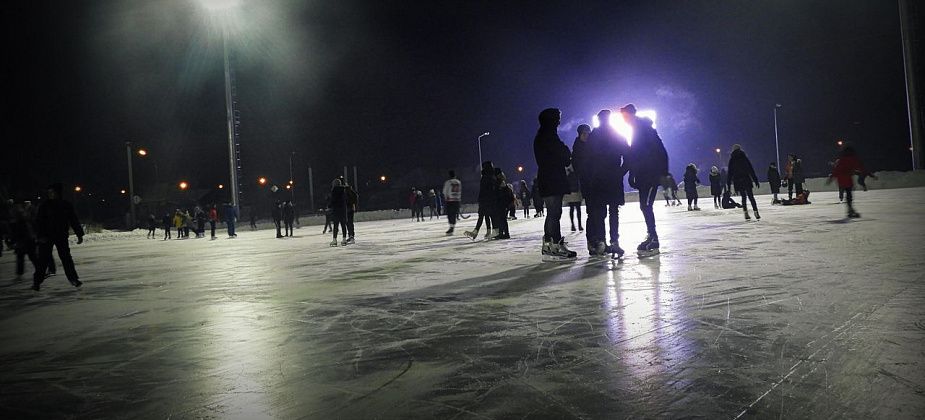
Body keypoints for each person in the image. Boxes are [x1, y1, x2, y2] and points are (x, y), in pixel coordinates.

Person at [574, 110, 626, 256]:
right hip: (612, 180)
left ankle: (602, 241)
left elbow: (586, 161)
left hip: (598, 181)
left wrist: (591, 177)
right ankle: (614, 241)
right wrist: (621, 172)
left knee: (600, 212)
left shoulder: (594, 137)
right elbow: (628, 154)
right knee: (612, 211)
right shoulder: (616, 134)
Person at [622, 104, 668, 256]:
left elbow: (659, 151)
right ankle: (651, 235)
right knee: (644, 206)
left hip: (649, 174)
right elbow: (635, 154)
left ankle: (654, 237)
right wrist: (632, 173)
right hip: (644, 174)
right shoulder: (637, 129)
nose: (623, 120)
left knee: (646, 205)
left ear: (629, 115)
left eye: (624, 116)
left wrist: (662, 173)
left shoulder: (644, 129)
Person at [533, 107, 577, 259]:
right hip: (552, 178)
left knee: (552, 213)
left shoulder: (541, 136)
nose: (559, 121)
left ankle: (548, 244)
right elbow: (564, 155)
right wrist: (565, 151)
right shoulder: (549, 136)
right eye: (557, 118)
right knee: (554, 213)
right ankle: (556, 245)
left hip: (546, 177)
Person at [32, 183, 84, 291]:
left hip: (61, 236)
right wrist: (40, 236)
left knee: (66, 259)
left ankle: (74, 279)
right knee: (43, 260)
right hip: (46, 237)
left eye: (53, 192)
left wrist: (79, 234)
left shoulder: (65, 205)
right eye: (49, 192)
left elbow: (73, 220)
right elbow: (38, 222)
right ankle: (37, 282)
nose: (51, 194)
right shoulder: (44, 206)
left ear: (58, 193)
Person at [726, 144, 761, 220]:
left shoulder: (732, 159)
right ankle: (756, 212)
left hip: (738, 180)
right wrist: (755, 180)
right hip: (746, 178)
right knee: (751, 197)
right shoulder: (744, 157)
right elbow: (750, 169)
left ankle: (746, 213)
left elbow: (730, 173)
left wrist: (728, 184)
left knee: (743, 197)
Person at [829, 146, 865, 218]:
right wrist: (862, 172)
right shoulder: (850, 159)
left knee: (847, 194)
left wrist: (831, 177)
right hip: (847, 180)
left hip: (842, 180)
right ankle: (850, 210)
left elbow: (837, 170)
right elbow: (858, 166)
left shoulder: (842, 160)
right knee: (849, 195)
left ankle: (850, 210)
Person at [566, 124, 590, 232]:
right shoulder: (576, 150)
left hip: (578, 187)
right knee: (573, 208)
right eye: (584, 134)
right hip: (573, 188)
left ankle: (579, 225)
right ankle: (573, 225)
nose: (587, 136)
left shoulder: (589, 146)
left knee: (578, 208)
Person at [465, 161, 496, 240]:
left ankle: (478, 231)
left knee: (483, 215)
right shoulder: (491, 177)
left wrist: (481, 199)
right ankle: (488, 231)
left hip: (485, 200)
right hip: (488, 200)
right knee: (486, 215)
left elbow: (484, 190)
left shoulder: (486, 177)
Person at [10, 204, 37, 278]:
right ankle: (38, 269)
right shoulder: (24, 220)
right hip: (27, 241)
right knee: (28, 256)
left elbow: (17, 233)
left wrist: (14, 241)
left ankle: (20, 272)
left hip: (25, 241)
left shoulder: (20, 222)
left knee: (26, 257)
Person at [493, 169, 513, 239]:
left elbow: (500, 194)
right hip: (503, 203)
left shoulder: (500, 182)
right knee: (502, 219)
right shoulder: (502, 181)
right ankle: (502, 233)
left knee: (502, 219)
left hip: (501, 204)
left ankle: (504, 233)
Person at [328, 178, 348, 246]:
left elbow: (333, 200)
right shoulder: (344, 190)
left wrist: (329, 206)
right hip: (343, 210)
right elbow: (346, 199)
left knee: (336, 226)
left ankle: (334, 240)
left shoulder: (334, 191)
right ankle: (344, 239)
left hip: (336, 210)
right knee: (343, 225)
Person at [442, 170, 462, 235]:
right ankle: (452, 227)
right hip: (457, 200)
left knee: (450, 214)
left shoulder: (448, 182)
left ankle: (451, 227)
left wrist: (446, 198)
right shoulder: (458, 182)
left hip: (450, 201)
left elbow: (444, 192)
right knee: (454, 214)